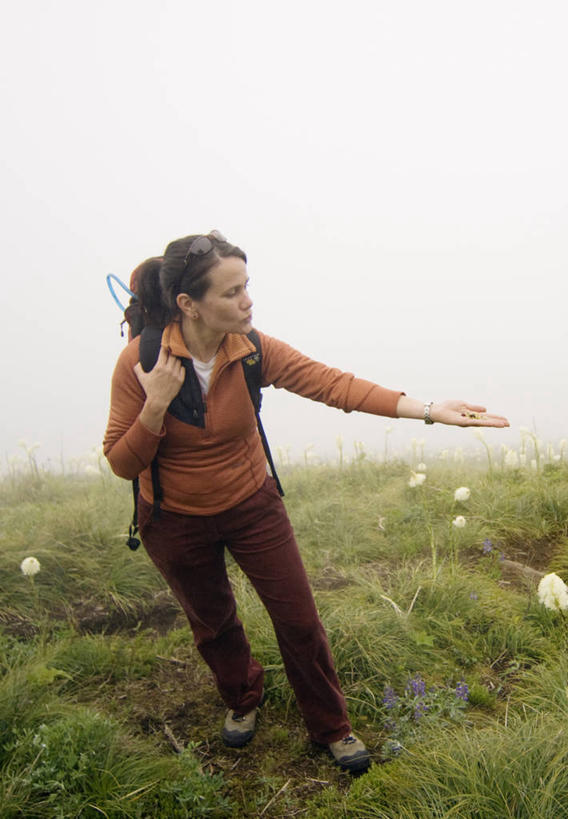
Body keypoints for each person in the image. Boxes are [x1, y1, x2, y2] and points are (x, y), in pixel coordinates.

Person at [103, 230, 509, 774]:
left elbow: (333, 385)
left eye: (247, 286)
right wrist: (154, 405)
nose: (247, 301)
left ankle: (331, 727)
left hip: (252, 505)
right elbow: (121, 463)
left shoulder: (252, 349)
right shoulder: (141, 362)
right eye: (231, 293)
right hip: (174, 521)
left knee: (299, 620)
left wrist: (432, 409)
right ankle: (243, 699)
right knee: (215, 624)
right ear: (188, 304)